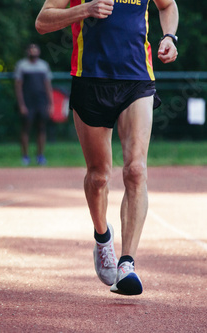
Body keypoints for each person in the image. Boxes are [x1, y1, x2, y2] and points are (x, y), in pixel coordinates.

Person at [35, 0, 178, 295]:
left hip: (137, 78)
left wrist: (169, 37)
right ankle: (103, 238)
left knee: (136, 170)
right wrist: (84, 10)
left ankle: (127, 264)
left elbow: (168, 5)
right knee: (99, 176)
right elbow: (43, 21)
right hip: (90, 80)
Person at [14, 44, 54, 166]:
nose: (33, 52)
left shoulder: (44, 66)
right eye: (31, 50)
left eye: (35, 50)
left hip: (41, 101)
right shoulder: (21, 65)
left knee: (41, 128)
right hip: (27, 101)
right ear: (27, 52)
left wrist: (50, 103)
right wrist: (21, 104)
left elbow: (48, 85)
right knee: (26, 128)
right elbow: (18, 86)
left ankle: (40, 156)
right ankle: (25, 156)